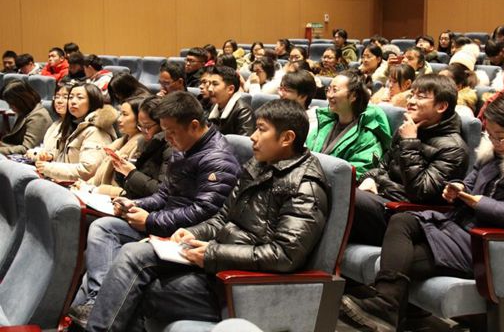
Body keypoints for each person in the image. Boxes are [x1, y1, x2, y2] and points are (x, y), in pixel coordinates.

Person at [81, 99, 329, 332]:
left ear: (286, 138)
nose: (252, 137)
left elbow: (284, 255)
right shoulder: (258, 165)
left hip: (242, 282)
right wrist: (193, 233)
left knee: (138, 286)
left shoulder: (305, 186)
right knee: (132, 256)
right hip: (219, 260)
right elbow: (222, 217)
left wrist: (213, 253)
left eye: (261, 130)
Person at [341, 90, 504, 332]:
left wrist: (482, 203)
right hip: (455, 228)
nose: (494, 143)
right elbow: (470, 184)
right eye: (490, 135)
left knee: (400, 261)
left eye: (501, 137)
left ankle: (387, 308)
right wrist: (458, 190)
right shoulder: (491, 155)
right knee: (402, 220)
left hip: (485, 245)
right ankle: (388, 308)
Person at [69, 91, 241, 327]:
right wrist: (135, 205)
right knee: (104, 227)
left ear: (193, 125)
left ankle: (99, 321)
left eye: (171, 131)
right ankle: (97, 300)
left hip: (187, 235)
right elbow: (163, 194)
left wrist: (151, 220)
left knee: (131, 254)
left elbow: (206, 212)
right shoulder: (183, 147)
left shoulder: (218, 160)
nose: (166, 138)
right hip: (165, 225)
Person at [352, 74, 469, 246]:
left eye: (420, 97)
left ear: (442, 106)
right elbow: (382, 167)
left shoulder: (454, 149)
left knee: (346, 198)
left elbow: (420, 193)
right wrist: (370, 179)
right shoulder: (408, 129)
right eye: (412, 94)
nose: (411, 101)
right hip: (384, 201)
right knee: (332, 188)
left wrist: (410, 142)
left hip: (408, 218)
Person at [306, 69, 392, 178]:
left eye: (335, 90)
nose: (329, 95)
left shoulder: (367, 136)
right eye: (328, 89)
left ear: (353, 96)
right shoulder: (325, 123)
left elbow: (358, 173)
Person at [35, 83, 118, 182]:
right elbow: (67, 157)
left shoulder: (96, 131)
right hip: (63, 182)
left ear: (92, 101)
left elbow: (88, 171)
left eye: (79, 97)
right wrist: (50, 156)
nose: (73, 102)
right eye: (71, 97)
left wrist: (49, 168)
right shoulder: (73, 124)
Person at [109, 96, 172, 200]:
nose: (143, 131)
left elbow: (161, 192)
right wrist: (121, 171)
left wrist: (131, 173)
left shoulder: (171, 147)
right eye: (140, 125)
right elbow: (129, 187)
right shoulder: (144, 142)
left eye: (147, 126)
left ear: (162, 124)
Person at [87, 96, 144, 195]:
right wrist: (86, 185)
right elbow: (98, 177)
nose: (119, 119)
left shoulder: (140, 145)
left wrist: (93, 189)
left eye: (125, 114)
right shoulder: (120, 142)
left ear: (140, 118)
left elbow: (127, 190)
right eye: (120, 114)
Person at [0, 80, 52, 155]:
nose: (10, 107)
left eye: (11, 104)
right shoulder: (25, 111)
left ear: (21, 101)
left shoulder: (39, 116)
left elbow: (27, 149)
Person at [206, 66, 255, 136]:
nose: (209, 89)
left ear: (230, 89)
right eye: (209, 84)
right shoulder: (214, 106)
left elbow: (241, 142)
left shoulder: (243, 111)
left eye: (215, 84)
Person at [25, 83, 69, 160]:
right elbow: (45, 148)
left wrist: (46, 156)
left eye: (65, 97)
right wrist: (34, 152)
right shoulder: (56, 124)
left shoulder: (75, 127)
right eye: (57, 97)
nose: (59, 101)